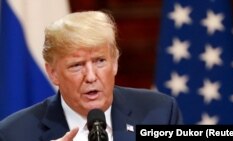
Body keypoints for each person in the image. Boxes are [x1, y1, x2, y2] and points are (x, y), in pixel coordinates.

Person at [0, 10, 182, 141]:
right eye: (77, 65)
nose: (91, 76)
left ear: (115, 63)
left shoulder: (161, 113)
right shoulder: (14, 133)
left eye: (100, 61)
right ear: (53, 73)